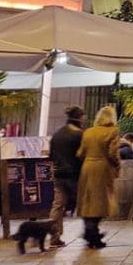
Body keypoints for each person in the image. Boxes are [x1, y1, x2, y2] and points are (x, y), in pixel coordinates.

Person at [75, 104, 121, 250]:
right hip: (102, 168)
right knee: (100, 202)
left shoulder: (88, 132)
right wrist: (118, 165)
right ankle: (92, 233)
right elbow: (113, 153)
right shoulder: (113, 131)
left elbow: (80, 153)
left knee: (88, 201)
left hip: (87, 168)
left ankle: (91, 231)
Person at [48, 105, 84, 249]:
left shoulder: (57, 134)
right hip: (74, 174)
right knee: (84, 204)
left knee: (58, 205)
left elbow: (51, 156)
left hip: (58, 174)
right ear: (80, 117)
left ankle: (54, 236)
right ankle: (90, 233)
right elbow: (82, 155)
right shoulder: (80, 134)